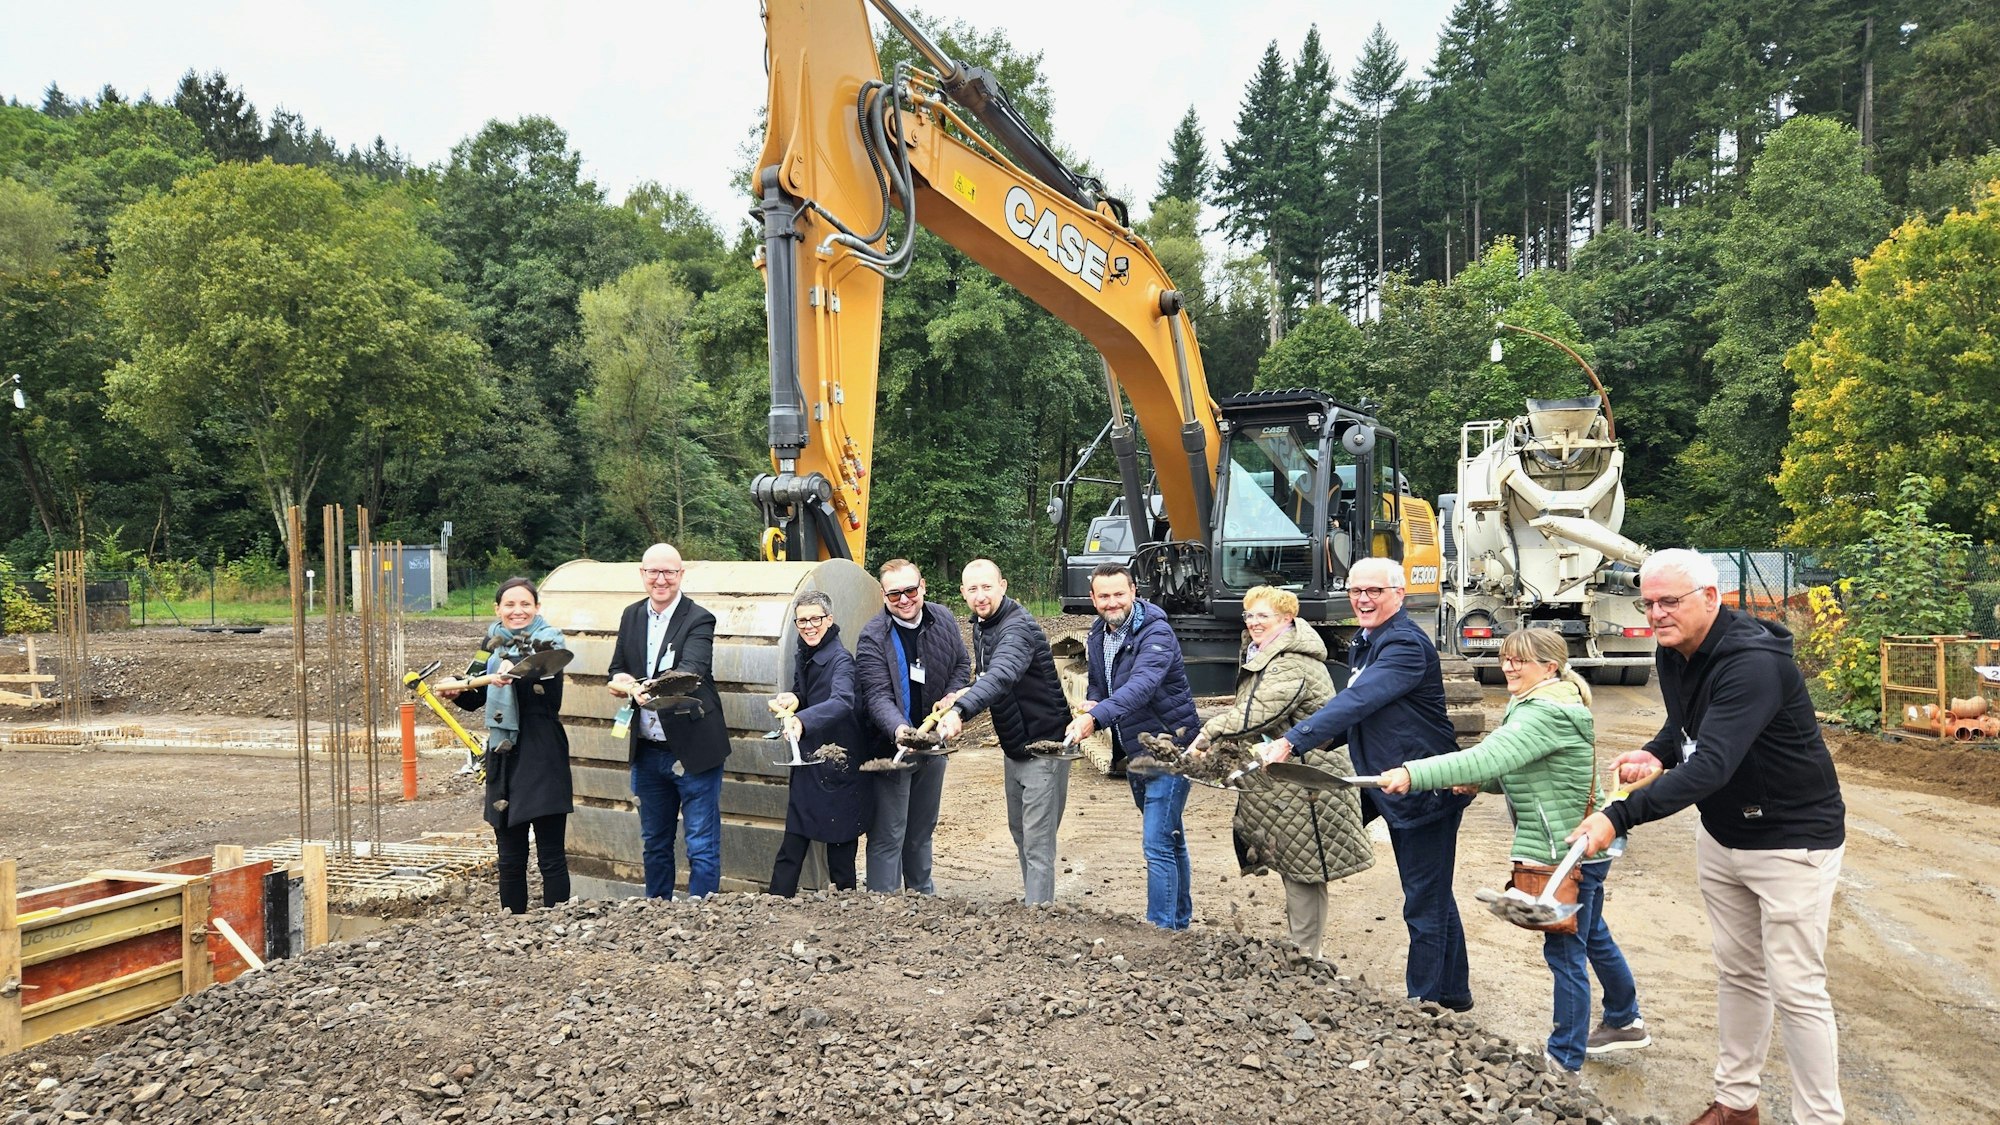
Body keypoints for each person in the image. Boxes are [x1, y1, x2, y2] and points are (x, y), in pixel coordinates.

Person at [1571, 549, 1846, 1125]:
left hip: (1791, 841)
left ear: (1710, 597)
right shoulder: (1674, 652)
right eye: (1648, 603)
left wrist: (1617, 818)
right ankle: (1736, 1105)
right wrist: (1655, 751)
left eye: (1669, 601)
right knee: (1739, 973)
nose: (1656, 614)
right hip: (1723, 836)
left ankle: (1819, 1119)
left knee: (1797, 990)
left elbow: (1712, 765)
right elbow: (1687, 727)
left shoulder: (1752, 663)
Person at [1379, 627, 1646, 1074]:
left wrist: (1412, 773)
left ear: (1550, 666)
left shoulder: (1544, 711)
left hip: (1564, 851)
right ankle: (1624, 1018)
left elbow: (1489, 755)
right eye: (1505, 658)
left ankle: (1563, 1061)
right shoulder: (1546, 701)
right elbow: (1519, 767)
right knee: (1592, 933)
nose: (1508, 667)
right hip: (1583, 845)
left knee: (1565, 954)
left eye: (1519, 660)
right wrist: (1483, 782)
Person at [1265, 555, 1474, 1011]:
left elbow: (1361, 698)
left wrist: (1292, 742)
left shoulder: (1402, 645)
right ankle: (1453, 994)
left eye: (1374, 591)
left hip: (1424, 785)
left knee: (1424, 902)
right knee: (1432, 893)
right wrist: (1302, 738)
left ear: (1398, 595)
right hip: (1387, 779)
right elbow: (1363, 714)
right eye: (1356, 590)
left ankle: (1426, 1005)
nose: (1362, 599)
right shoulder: (1368, 639)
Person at [1192, 585, 1372, 957]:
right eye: (1250, 615)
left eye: (1264, 616)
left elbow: (1256, 713)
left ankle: (1307, 956)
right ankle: (1302, 950)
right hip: (1286, 777)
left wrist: (1207, 733)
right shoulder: (1265, 653)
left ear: (1287, 619)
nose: (1254, 623)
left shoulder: (1293, 662)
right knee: (1294, 863)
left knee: (1305, 869)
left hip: (1307, 780)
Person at [1064, 564, 1200, 930]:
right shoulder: (1098, 633)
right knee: (1171, 837)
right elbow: (1098, 683)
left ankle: (1160, 929)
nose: (1112, 603)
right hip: (1137, 751)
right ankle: (1180, 921)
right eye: (1104, 596)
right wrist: (1094, 702)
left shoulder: (1156, 633)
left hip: (1171, 747)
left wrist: (1095, 720)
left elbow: (1141, 685)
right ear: (1093, 599)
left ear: (1134, 592)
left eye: (1119, 594)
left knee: (1157, 842)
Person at [937, 558, 1071, 905]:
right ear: (963, 593)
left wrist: (960, 712)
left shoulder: (1016, 629)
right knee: (1021, 832)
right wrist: (964, 692)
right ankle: (1035, 905)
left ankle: (1038, 916)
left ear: (1003, 586)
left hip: (1044, 746)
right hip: (1016, 744)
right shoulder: (984, 626)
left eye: (987, 587)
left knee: (1038, 841)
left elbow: (1003, 674)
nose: (981, 596)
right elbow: (989, 677)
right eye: (973, 589)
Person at [441, 576, 573, 914]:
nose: (518, 611)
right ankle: (511, 925)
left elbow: (543, 690)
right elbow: (475, 696)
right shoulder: (489, 645)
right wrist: (459, 690)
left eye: (525, 604)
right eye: (510, 605)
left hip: (542, 753)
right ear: (497, 609)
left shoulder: (549, 644)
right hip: (504, 753)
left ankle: (556, 928)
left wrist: (511, 675)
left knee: (551, 856)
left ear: (537, 608)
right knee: (510, 858)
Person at [607, 543, 731, 900]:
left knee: (701, 844)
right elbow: (618, 668)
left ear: (681, 575)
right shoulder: (631, 615)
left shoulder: (699, 619)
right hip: (647, 751)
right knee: (654, 843)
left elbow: (691, 671)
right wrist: (622, 682)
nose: (661, 579)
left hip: (693, 750)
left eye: (669, 572)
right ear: (642, 574)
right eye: (653, 572)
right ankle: (657, 915)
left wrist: (644, 687)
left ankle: (701, 919)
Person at [853, 559, 971, 894]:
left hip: (933, 747)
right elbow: (876, 696)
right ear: (883, 595)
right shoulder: (872, 636)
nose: (904, 600)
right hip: (892, 750)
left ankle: (922, 901)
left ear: (923, 587)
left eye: (909, 590)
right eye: (894, 595)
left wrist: (952, 694)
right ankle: (884, 907)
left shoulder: (943, 619)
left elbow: (962, 663)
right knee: (889, 834)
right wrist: (902, 732)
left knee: (920, 831)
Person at [765, 591, 872, 897]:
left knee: (839, 850)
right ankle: (773, 906)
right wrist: (795, 698)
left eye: (816, 619)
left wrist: (801, 721)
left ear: (830, 620)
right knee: (793, 843)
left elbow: (841, 701)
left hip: (838, 763)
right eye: (802, 621)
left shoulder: (841, 660)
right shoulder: (806, 651)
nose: (809, 626)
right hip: (811, 759)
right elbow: (807, 690)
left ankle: (846, 912)